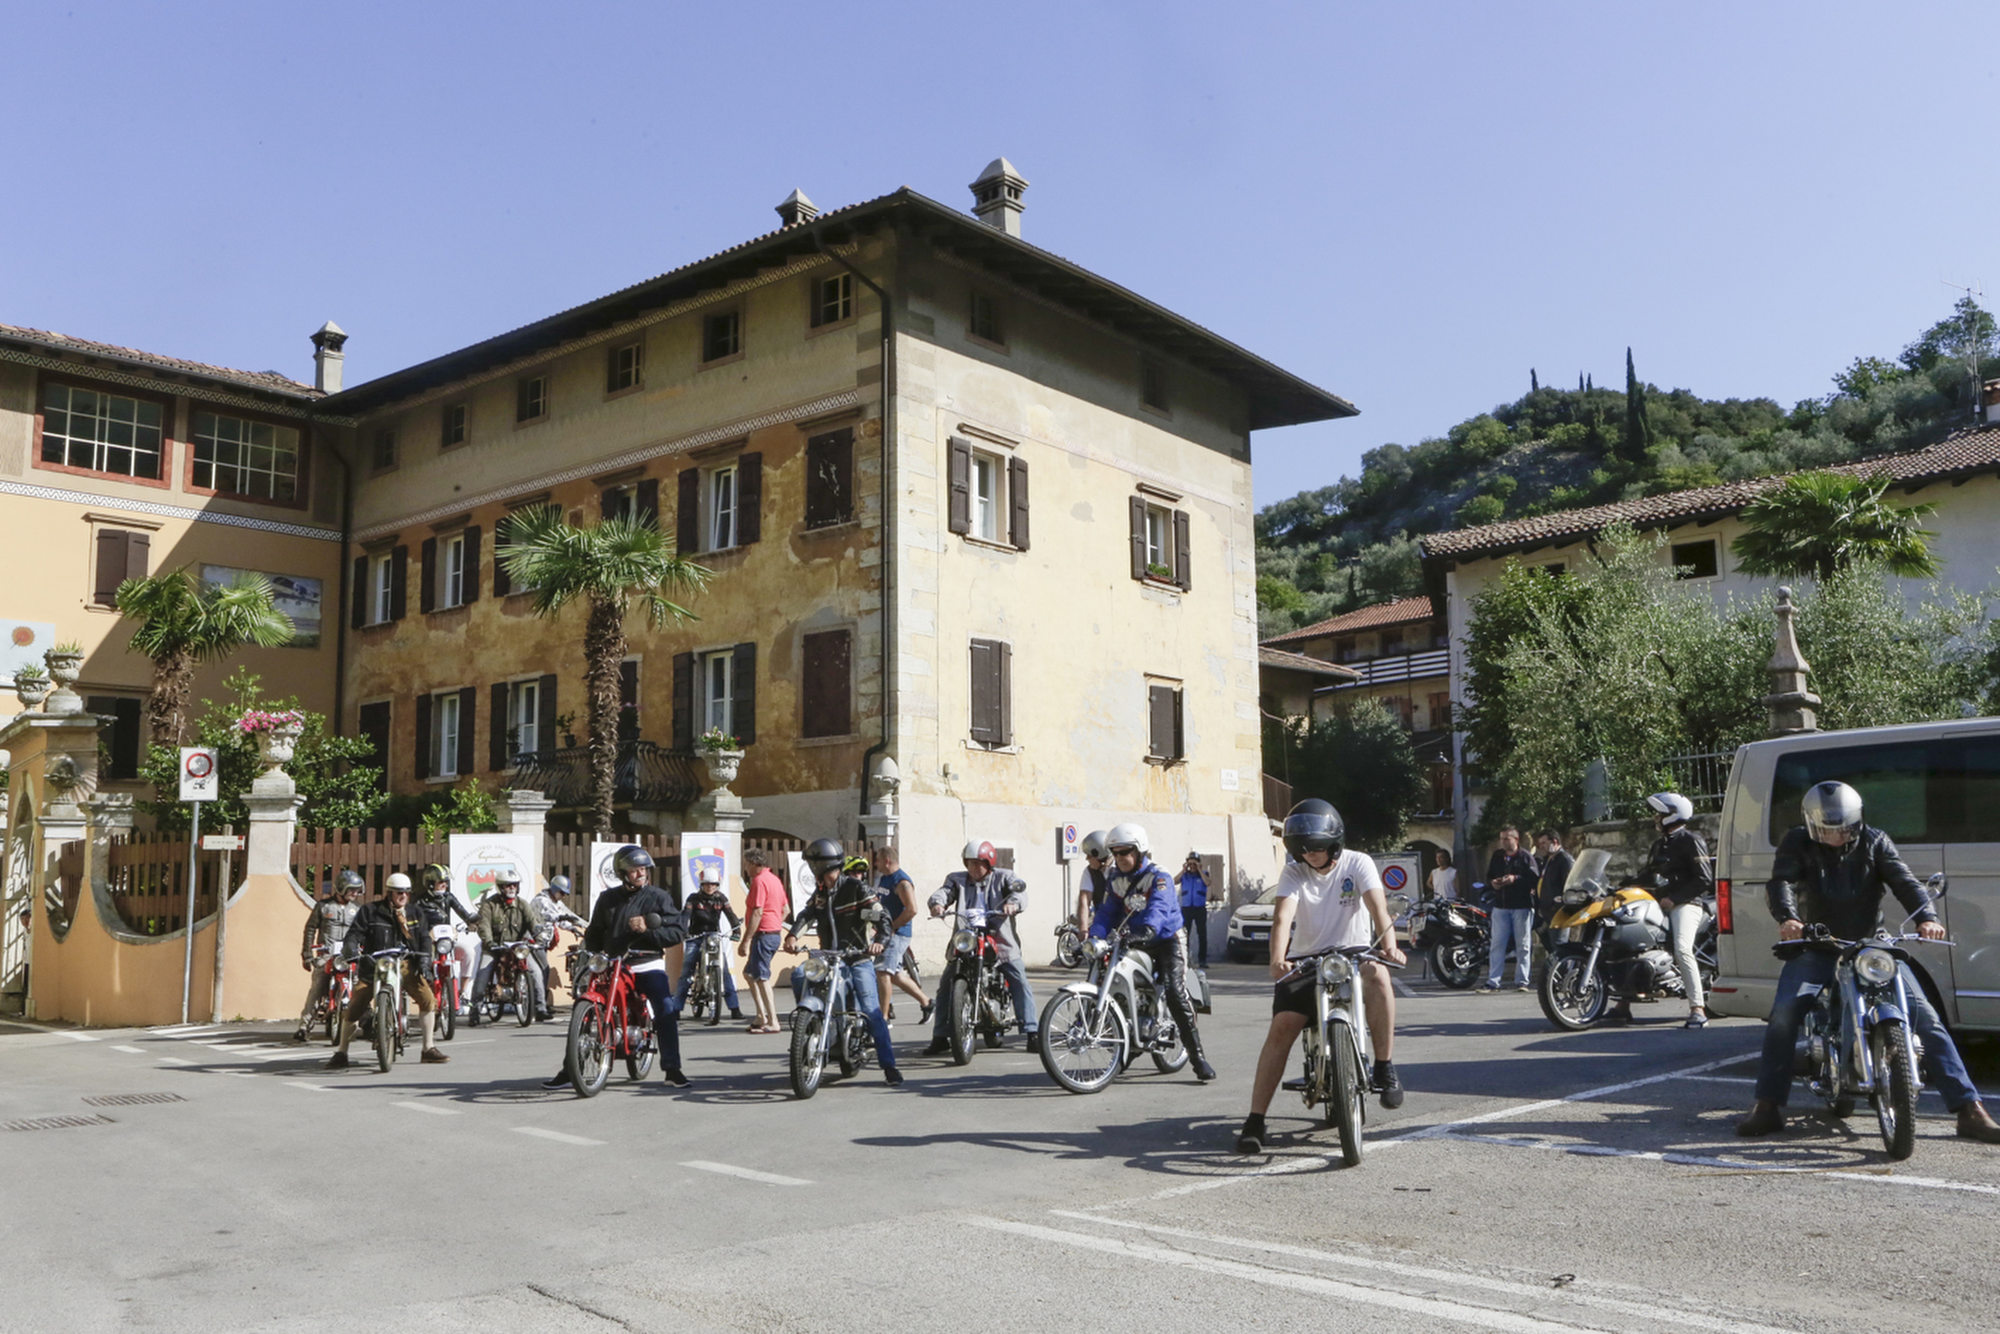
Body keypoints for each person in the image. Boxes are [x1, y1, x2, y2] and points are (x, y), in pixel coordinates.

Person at [1737, 780, 2000, 1143]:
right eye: (1827, 830)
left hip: (1870, 946)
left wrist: (1927, 917)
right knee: (1784, 1013)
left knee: (1927, 1017)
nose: (1836, 836)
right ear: (1812, 825)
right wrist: (1789, 919)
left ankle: (1970, 1110)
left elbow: (1904, 881)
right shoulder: (1797, 842)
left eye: (1844, 828)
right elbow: (1781, 882)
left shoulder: (1875, 841)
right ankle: (1767, 1106)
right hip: (1817, 945)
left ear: (1857, 820)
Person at [1236, 799, 1406, 1153]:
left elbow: (1378, 907)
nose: (1310, 854)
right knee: (1281, 1027)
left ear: (1334, 843)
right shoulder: (1294, 872)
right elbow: (1282, 917)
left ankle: (1384, 1066)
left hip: (1355, 952)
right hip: (1306, 959)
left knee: (1379, 976)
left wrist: (1390, 947)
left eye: (1317, 847)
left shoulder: (1358, 863)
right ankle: (1255, 1120)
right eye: (1303, 849)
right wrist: (1277, 960)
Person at [540, 845, 687, 1089]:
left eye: (644, 869)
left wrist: (648, 930)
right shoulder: (607, 899)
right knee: (584, 1004)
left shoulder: (659, 897)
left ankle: (672, 1069)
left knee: (665, 1007)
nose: (640, 873)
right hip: (612, 963)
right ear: (622, 873)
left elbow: (677, 932)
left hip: (646, 963)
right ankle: (571, 1069)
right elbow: (595, 931)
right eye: (634, 869)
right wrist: (590, 950)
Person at [1091, 824, 1214, 1082]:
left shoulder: (1159, 876)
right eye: (1115, 852)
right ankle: (1127, 1044)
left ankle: (1198, 1057)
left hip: (1167, 938)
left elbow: (1159, 907)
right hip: (1134, 938)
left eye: (1125, 851)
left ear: (1139, 851)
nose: (1120, 857)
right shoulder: (1115, 878)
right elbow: (1107, 911)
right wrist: (1094, 937)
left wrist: (1148, 929)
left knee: (1174, 990)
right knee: (1111, 976)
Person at [783, 838, 902, 1086]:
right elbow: (808, 914)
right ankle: (811, 1027)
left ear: (825, 865)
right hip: (828, 957)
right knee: (799, 975)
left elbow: (881, 916)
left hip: (857, 958)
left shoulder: (856, 888)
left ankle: (889, 1066)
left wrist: (879, 941)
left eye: (815, 865)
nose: (814, 870)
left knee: (871, 1010)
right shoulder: (821, 893)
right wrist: (793, 936)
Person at [926, 840, 1038, 1055]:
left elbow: (1019, 891)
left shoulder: (1004, 877)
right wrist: (937, 904)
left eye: (978, 863)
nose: (974, 868)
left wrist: (1013, 903)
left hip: (1000, 940)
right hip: (967, 939)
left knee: (1019, 979)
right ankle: (940, 1036)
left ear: (989, 863)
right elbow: (944, 892)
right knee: (946, 984)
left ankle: (1032, 1032)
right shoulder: (956, 880)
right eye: (970, 863)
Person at [1613, 793, 1715, 1028]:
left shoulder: (1691, 840)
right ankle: (1622, 1006)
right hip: (1658, 903)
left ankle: (1698, 1009)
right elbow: (1648, 875)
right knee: (1630, 944)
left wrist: (1675, 898)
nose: (1656, 818)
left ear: (1673, 816)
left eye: (1660, 814)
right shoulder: (1659, 844)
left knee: (1682, 948)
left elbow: (1704, 879)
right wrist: (1621, 886)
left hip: (1687, 904)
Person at [328, 875, 448, 1068]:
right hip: (374, 963)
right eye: (399, 892)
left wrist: (425, 961)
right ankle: (342, 1052)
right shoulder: (370, 911)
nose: (403, 896)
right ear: (389, 892)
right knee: (354, 1007)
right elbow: (354, 934)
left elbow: (424, 939)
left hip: (405, 963)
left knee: (428, 1000)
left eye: (406, 892)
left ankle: (428, 1048)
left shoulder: (415, 912)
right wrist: (350, 949)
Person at [474, 869, 551, 1022]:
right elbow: (484, 926)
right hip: (495, 947)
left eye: (514, 885)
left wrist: (539, 938)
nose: (512, 888)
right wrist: (489, 942)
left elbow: (533, 923)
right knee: (483, 973)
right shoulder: (489, 905)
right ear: (500, 887)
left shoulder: (523, 904)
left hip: (517, 948)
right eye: (508, 885)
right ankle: (474, 1010)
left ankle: (540, 1008)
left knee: (536, 972)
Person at [296, 870, 362, 1040]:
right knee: (318, 986)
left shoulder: (357, 909)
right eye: (351, 889)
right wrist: (307, 954)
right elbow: (310, 928)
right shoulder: (323, 906)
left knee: (359, 985)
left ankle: (366, 1020)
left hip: (348, 956)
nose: (355, 893)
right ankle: (304, 1026)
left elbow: (362, 932)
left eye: (357, 890)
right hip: (326, 955)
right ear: (341, 888)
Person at [872, 845, 933, 1026]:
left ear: (887, 861)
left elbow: (912, 909)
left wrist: (892, 927)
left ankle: (883, 1018)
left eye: (878, 860)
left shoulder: (902, 882)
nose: (875, 864)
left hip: (897, 934)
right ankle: (927, 1003)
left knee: (883, 972)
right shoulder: (884, 879)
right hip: (885, 932)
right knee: (896, 975)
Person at [676, 863, 744, 1020]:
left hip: (713, 937)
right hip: (695, 937)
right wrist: (683, 932)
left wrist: (736, 931)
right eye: (707, 884)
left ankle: (734, 1008)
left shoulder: (721, 898)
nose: (710, 887)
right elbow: (685, 916)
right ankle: (676, 1008)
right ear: (701, 884)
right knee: (687, 971)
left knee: (724, 972)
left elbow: (731, 915)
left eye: (713, 884)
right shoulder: (693, 899)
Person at [409, 863, 478, 1016]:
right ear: (430, 883)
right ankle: (427, 992)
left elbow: (462, 912)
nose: (445, 885)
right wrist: (423, 932)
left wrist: (471, 922)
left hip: (446, 941)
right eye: (441, 882)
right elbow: (412, 920)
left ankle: (462, 992)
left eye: (446, 882)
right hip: (428, 941)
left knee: (469, 952)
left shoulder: (448, 897)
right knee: (425, 962)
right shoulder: (419, 901)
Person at [1480, 827, 1536, 992]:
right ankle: (1493, 981)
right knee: (1497, 944)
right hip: (1500, 906)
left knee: (1523, 945)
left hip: (1521, 906)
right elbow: (1489, 875)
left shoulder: (1525, 857)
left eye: (1506, 839)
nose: (1503, 842)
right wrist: (1494, 883)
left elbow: (1534, 879)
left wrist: (1515, 879)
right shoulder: (1498, 856)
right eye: (1501, 839)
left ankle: (1522, 981)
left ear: (1515, 840)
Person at [739, 849, 788, 1034]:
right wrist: (776, 923)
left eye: (747, 864)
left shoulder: (759, 881)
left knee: (761, 976)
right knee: (749, 974)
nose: (746, 868)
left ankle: (773, 1021)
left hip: (764, 934)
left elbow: (757, 912)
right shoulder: (774, 880)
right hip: (773, 933)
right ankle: (761, 1015)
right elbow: (786, 909)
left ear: (754, 863)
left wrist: (746, 940)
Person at [529, 875, 587, 994]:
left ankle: (538, 998)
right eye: (562, 893)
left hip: (543, 942)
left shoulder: (555, 903)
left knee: (540, 970)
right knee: (544, 969)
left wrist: (572, 928)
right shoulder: (541, 900)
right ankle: (540, 1000)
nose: (563, 896)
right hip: (535, 941)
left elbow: (560, 920)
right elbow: (550, 916)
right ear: (555, 889)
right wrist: (563, 917)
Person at [1177, 853, 1211, 968]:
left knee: (1202, 934)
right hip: (1187, 908)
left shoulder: (1204, 874)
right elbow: (1174, 881)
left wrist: (1199, 870)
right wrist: (1183, 869)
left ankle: (1202, 960)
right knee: (1185, 934)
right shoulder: (1185, 875)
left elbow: (1208, 882)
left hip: (1199, 908)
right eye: (1190, 863)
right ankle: (1185, 959)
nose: (1192, 866)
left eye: (1194, 863)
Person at [1076, 830, 1111, 929]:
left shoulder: (1120, 869)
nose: (1087, 858)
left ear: (1099, 855)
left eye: (1089, 855)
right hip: (1102, 922)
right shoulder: (1089, 872)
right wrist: (1083, 929)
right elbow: (1084, 901)